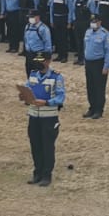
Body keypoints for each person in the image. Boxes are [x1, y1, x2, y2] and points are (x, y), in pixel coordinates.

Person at [24, 52, 66, 186]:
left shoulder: (56, 77)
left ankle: (47, 175)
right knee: (35, 145)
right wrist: (24, 96)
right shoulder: (33, 75)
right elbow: (27, 89)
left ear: (48, 61)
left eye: (41, 60)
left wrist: (46, 102)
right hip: (33, 115)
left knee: (47, 146)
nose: (38, 63)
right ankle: (37, 172)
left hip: (48, 117)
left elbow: (61, 97)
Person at [83, 12, 109, 119]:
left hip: (99, 63)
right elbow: (85, 47)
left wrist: (106, 66)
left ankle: (98, 110)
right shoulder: (88, 32)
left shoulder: (105, 34)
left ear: (100, 22)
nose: (93, 23)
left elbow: (108, 51)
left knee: (99, 88)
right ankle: (92, 108)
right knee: (90, 87)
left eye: (95, 21)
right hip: (89, 62)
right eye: (92, 22)